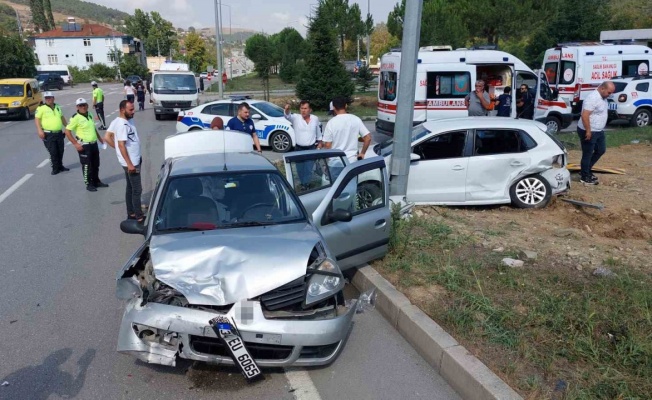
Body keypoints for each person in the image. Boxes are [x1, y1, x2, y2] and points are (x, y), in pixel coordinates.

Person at [105, 100, 144, 221]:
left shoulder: (120, 121)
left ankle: (131, 212)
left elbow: (107, 137)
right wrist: (129, 164)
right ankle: (139, 216)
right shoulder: (121, 124)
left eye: (133, 109)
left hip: (134, 159)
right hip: (131, 162)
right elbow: (121, 145)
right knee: (137, 189)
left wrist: (118, 150)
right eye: (130, 110)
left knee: (130, 187)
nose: (133, 112)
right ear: (122, 110)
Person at [64, 98, 108, 192]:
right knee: (87, 165)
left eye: (84, 105)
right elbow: (67, 132)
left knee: (96, 164)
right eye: (80, 105)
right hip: (84, 145)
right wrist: (75, 144)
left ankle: (96, 181)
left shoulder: (90, 114)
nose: (83, 107)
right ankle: (89, 183)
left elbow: (93, 128)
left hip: (93, 143)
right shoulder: (75, 118)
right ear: (77, 107)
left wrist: (100, 139)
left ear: (87, 105)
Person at [577, 81, 615, 185]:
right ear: (602, 88)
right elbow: (584, 115)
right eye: (609, 92)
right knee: (587, 154)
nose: (610, 95)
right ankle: (584, 177)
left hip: (598, 130)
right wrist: (588, 131)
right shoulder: (592, 98)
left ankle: (586, 170)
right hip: (589, 130)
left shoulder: (603, 97)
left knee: (601, 150)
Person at [322, 96, 371, 163]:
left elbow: (327, 145)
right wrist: (362, 153)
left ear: (333, 107)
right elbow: (368, 138)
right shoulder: (356, 119)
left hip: (336, 161)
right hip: (352, 161)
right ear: (346, 106)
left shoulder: (331, 123)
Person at [35, 91, 69, 175]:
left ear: (53, 98)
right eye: (46, 98)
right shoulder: (41, 108)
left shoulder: (57, 106)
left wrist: (67, 127)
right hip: (48, 134)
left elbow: (62, 117)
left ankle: (60, 166)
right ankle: (55, 168)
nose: (48, 99)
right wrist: (39, 130)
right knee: (53, 151)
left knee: (60, 150)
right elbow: (37, 119)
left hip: (59, 133)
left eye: (50, 98)